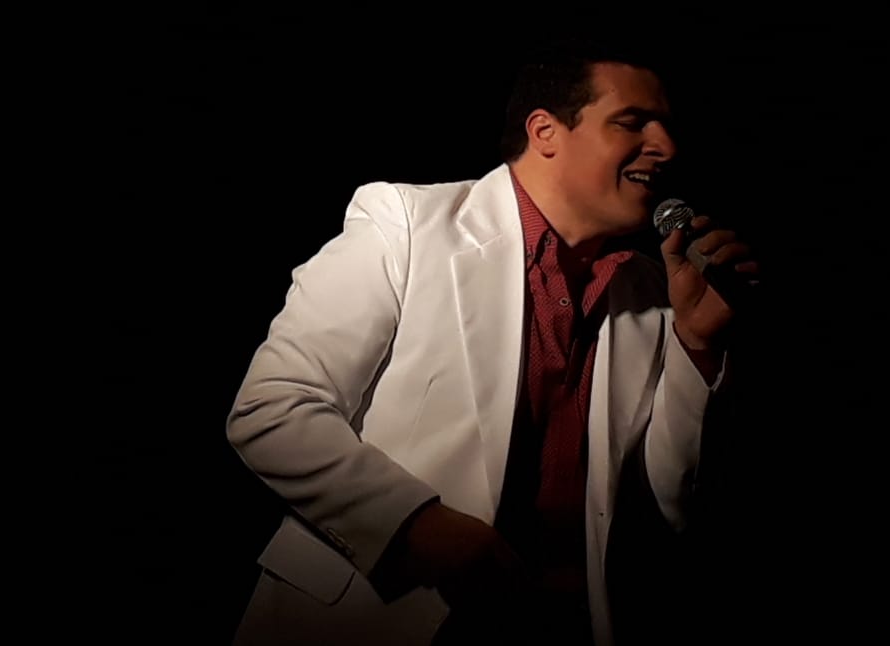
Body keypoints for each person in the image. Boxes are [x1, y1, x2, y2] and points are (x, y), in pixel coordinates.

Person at [225, 33, 759, 646]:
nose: (665, 146)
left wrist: (696, 344)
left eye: (665, 126)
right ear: (545, 131)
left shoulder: (650, 290)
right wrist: (418, 526)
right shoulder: (406, 223)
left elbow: (668, 504)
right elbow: (273, 409)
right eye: (633, 122)